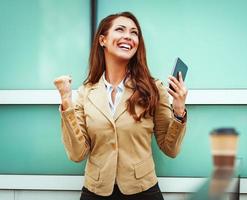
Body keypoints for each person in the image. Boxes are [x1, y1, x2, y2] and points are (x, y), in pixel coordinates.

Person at [53, 11, 188, 200]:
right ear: (103, 40)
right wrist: (66, 101)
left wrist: (179, 110)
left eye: (134, 33)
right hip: (96, 192)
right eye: (120, 29)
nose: (128, 36)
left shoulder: (153, 88)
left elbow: (170, 148)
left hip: (142, 192)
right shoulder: (86, 92)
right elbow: (77, 154)